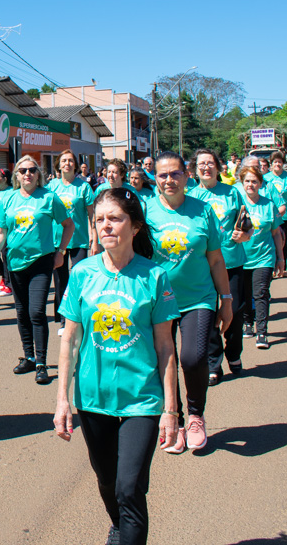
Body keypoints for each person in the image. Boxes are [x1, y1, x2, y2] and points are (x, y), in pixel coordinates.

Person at [54, 187, 180, 545]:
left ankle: (127, 525)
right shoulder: (82, 273)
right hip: (93, 398)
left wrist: (171, 410)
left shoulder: (154, 276)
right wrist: (62, 400)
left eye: (115, 218)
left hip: (142, 397)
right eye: (99, 220)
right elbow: (70, 340)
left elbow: (165, 347)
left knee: (128, 488)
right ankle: (120, 525)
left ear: (135, 226)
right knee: (108, 481)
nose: (106, 226)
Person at [143, 152, 232, 454]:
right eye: (162, 175)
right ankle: (175, 419)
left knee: (193, 358)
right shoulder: (145, 210)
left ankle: (196, 415)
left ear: (186, 175)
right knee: (162, 362)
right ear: (154, 178)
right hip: (159, 300)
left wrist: (227, 299)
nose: (169, 180)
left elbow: (216, 259)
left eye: (175, 174)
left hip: (199, 297)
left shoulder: (203, 210)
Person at [0, 154, 73, 385]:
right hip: (15, 263)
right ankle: (28, 357)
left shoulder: (48, 198)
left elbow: (69, 225)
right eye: (23, 170)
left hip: (41, 262)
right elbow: (0, 231)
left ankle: (42, 363)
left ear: (38, 175)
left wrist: (61, 252)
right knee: (22, 312)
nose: (28, 174)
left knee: (36, 312)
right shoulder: (9, 200)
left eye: (32, 170)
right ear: (16, 175)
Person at [190, 150, 250, 385]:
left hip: (231, 260)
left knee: (234, 311)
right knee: (208, 312)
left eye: (210, 164)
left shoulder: (232, 192)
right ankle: (214, 362)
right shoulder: (190, 196)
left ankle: (233, 352)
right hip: (201, 263)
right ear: (195, 169)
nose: (206, 168)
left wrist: (244, 235)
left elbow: (248, 226)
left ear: (218, 167)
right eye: (201, 164)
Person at [236, 165, 286, 348]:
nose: (251, 185)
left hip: (264, 257)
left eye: (254, 181)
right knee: (245, 293)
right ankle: (248, 323)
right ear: (242, 183)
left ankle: (262, 332)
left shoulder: (268, 205)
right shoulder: (237, 204)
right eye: (247, 181)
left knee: (261, 293)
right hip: (241, 257)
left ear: (260, 184)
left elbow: (276, 234)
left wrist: (280, 258)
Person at [47, 150, 94, 328]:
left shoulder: (83, 187)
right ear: (59, 165)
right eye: (64, 161)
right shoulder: (51, 186)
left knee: (78, 279)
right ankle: (62, 318)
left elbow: (92, 215)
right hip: (56, 241)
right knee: (60, 280)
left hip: (79, 240)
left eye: (71, 161)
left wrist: (94, 239)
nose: (67, 163)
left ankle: (78, 316)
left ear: (75, 165)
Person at [265, 152, 287, 274]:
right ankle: (271, 268)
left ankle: (282, 268)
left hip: (285, 215)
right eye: (275, 162)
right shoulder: (266, 178)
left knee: (282, 241)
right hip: (269, 216)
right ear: (271, 164)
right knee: (270, 241)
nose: (277, 164)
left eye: (280, 162)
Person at [0, 168, 14, 296]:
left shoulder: (12, 192)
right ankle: (4, 276)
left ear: (5, 179)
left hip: (6, 229)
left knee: (5, 254)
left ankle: (7, 282)